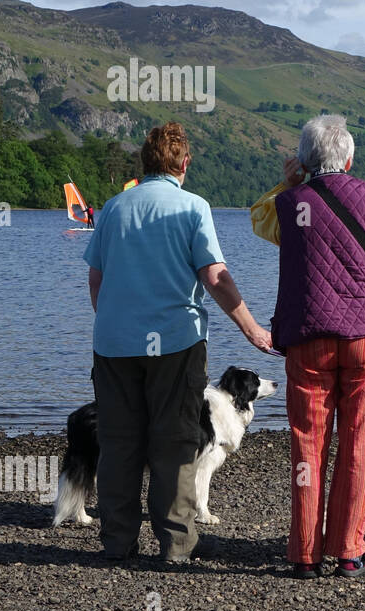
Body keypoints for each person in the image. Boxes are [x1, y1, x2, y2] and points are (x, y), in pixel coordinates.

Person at [85, 122, 271, 563]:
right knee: (175, 442)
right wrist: (252, 329)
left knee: (119, 443)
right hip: (176, 344)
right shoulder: (193, 207)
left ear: (144, 162)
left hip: (113, 343)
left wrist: (115, 322)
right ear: (184, 163)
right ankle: (177, 545)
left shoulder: (112, 209)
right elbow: (214, 277)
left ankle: (117, 544)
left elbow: (96, 280)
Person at [251, 115, 365, 579]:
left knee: (307, 444)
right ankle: (350, 552)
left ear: (304, 160)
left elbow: (260, 222)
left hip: (307, 337)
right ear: (349, 158)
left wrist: (287, 182)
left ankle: (304, 556)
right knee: (359, 442)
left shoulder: (288, 203)